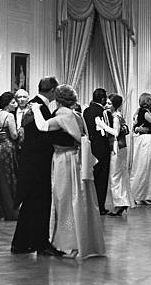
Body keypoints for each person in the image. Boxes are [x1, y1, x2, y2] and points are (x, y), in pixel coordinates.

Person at [31, 84, 106, 259]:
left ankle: (69, 243)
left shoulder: (62, 116)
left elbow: (42, 126)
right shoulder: (77, 116)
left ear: (57, 99)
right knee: (80, 199)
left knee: (64, 201)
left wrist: (35, 109)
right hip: (77, 160)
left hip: (64, 161)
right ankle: (83, 242)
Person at [11, 77, 64, 256]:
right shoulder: (39, 108)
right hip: (37, 166)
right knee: (39, 205)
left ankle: (27, 243)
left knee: (32, 205)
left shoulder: (34, 105)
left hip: (32, 164)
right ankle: (37, 243)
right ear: (53, 90)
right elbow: (44, 136)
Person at [95, 94, 133, 216]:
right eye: (106, 103)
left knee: (115, 176)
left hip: (117, 148)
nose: (106, 105)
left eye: (109, 103)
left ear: (115, 105)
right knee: (120, 175)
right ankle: (122, 202)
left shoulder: (116, 117)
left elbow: (115, 132)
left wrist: (102, 125)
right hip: (121, 148)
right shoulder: (116, 115)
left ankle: (119, 204)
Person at [83, 88, 113, 215]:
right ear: (102, 99)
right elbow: (108, 131)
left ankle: (89, 204)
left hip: (89, 147)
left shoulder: (86, 111)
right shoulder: (104, 112)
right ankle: (100, 206)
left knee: (91, 176)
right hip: (102, 147)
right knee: (102, 177)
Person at [0, 92, 19, 221]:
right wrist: (21, 131)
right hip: (7, 149)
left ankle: (0, 209)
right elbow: (14, 135)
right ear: (7, 104)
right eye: (13, 102)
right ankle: (10, 210)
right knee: (9, 178)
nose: (16, 104)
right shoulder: (9, 116)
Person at [130, 93, 151, 204]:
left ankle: (141, 195)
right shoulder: (145, 112)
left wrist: (138, 128)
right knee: (144, 167)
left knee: (143, 167)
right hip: (146, 140)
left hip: (143, 140)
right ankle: (137, 195)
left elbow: (135, 127)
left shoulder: (138, 112)